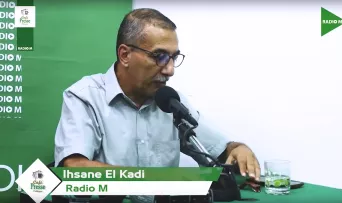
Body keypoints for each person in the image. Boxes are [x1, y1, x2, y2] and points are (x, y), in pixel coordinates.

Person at [54, 8, 260, 202]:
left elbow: (218, 151)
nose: (170, 70)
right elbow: (74, 168)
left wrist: (238, 150)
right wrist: (145, 182)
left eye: (174, 57)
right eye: (159, 56)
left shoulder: (169, 100)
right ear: (125, 55)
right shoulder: (85, 97)